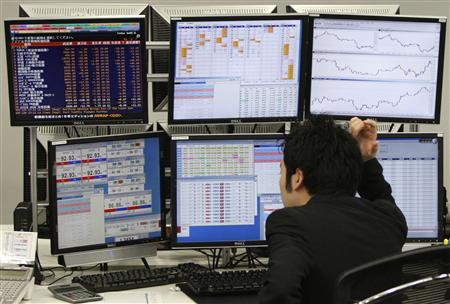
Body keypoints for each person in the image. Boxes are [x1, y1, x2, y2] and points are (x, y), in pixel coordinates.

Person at [258, 116, 407, 304]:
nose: (281, 180)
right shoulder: (389, 218)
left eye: (282, 171)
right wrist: (366, 159)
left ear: (297, 178)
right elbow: (382, 197)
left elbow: (279, 293)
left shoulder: (289, 223)